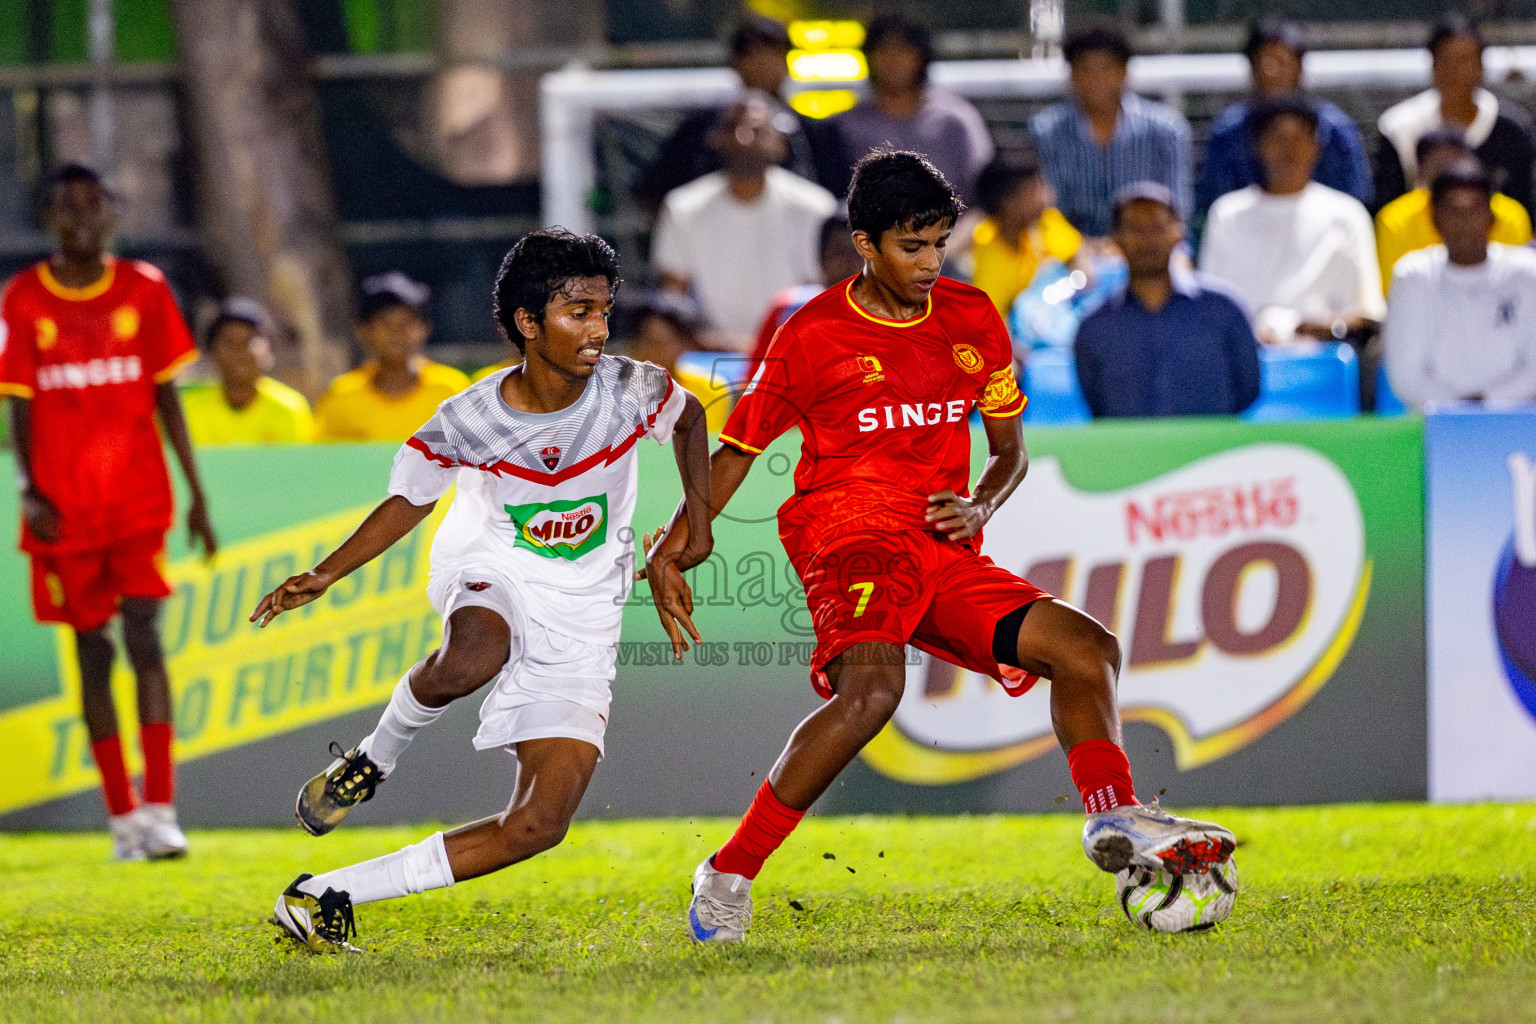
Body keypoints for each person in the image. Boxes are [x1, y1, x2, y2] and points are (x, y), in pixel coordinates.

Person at [644, 151, 1235, 945]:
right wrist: (681, 543)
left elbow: (1009, 451)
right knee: (871, 696)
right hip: (846, 535)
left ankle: (1111, 821)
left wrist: (980, 502)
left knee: (1088, 649)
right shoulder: (810, 335)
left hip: (937, 543)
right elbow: (736, 454)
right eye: (910, 247)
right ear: (864, 242)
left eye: (938, 245)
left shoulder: (971, 317)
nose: (929, 263)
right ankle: (728, 873)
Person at [258, 229, 713, 954]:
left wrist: (697, 523)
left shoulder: (632, 388)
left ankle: (324, 893)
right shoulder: (470, 417)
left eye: (603, 310)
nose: (598, 329)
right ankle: (375, 758)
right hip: (491, 558)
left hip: (586, 604)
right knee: (474, 654)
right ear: (528, 323)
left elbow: (690, 421)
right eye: (577, 311)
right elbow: (408, 501)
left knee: (539, 826)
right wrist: (326, 572)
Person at [0, 163, 216, 860]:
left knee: (146, 639)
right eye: (67, 208)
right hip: (65, 510)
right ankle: (123, 820)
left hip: (137, 501)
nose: (82, 218)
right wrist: (29, 489)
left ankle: (162, 808)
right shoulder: (23, 300)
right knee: (92, 652)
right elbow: (19, 403)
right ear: (49, 220)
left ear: (114, 214)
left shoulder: (145, 290)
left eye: (94, 205)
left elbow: (167, 397)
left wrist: (197, 494)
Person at [652, 94, 838, 351]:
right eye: (733, 128)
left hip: (796, 348)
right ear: (714, 138)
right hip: (710, 350)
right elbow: (673, 298)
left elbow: (825, 292)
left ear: (780, 141)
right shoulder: (683, 206)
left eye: (757, 130)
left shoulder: (815, 207)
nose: (744, 138)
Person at [1200, 97, 1385, 345]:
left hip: (1324, 359)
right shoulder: (1227, 214)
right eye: (1277, 138)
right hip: (1246, 357)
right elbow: (1211, 308)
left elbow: (1368, 312)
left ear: (1316, 146)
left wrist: (1320, 328)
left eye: (1299, 138)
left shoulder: (1348, 214)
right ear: (1258, 147)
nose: (1289, 149)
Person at [1075, 184, 1260, 418]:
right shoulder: (1094, 327)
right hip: (1130, 453)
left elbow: (1248, 390)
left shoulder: (1225, 311)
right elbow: (1096, 402)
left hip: (1214, 453)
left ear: (1178, 232)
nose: (1147, 239)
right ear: (1115, 238)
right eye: (1135, 228)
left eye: (1157, 227)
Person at [634, 13, 850, 209]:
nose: (762, 65)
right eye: (752, 55)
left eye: (773, 55)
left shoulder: (815, 134)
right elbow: (653, 193)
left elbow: (840, 199)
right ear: (736, 64)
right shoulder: (701, 129)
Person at [1384, 160, 1536, 409]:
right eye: (1452, 209)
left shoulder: (1528, 273)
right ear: (1434, 219)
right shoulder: (1411, 276)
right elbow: (1406, 378)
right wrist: (1458, 415)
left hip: (1519, 422)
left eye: (1474, 208)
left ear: (1491, 217)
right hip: (1432, 426)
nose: (1463, 220)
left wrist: (1486, 404)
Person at [1196, 18, 1371, 223]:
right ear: (1252, 66)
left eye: (1285, 61)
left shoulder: (1334, 131)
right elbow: (1210, 207)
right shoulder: (1228, 132)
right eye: (1268, 61)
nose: (1275, 72)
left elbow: (1355, 201)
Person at [1030, 24, 1191, 237]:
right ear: (1071, 76)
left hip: (1147, 249)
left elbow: (1178, 210)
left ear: (1124, 72)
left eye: (1106, 68)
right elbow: (1045, 211)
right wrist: (1080, 250)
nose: (1097, 79)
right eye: (1086, 69)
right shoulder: (1046, 130)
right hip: (1070, 254)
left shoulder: (1166, 130)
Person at [1375, 14, 1535, 216]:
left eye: (1465, 60)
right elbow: (1387, 210)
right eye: (1446, 60)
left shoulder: (1512, 130)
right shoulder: (1398, 127)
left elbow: (1525, 209)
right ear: (1432, 64)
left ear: (1481, 66)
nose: (1455, 71)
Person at [832, 15, 994, 202]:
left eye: (902, 50)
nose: (892, 59)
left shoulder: (956, 120)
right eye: (882, 49)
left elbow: (985, 194)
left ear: (922, 56)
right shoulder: (847, 126)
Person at [313, 272, 471, 441]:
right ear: (362, 331)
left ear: (425, 329)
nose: (397, 332)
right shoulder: (341, 397)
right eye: (384, 322)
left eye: (408, 322)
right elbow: (322, 460)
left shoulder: (452, 391)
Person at [1375, 130, 1531, 291]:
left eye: (1457, 162)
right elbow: (1392, 291)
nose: (1451, 174)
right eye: (1440, 166)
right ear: (1421, 170)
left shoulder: (1511, 214)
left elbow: (1519, 286)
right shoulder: (1395, 219)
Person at [959, 151, 1083, 316]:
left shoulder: (1043, 222)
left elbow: (1077, 253)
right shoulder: (990, 260)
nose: (1045, 196)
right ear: (1008, 203)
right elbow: (989, 328)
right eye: (1033, 190)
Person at [746, 211, 866, 375]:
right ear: (822, 258)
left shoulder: (895, 317)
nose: (850, 263)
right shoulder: (787, 310)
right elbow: (751, 385)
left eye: (859, 254)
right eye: (840, 252)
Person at [181, 297, 314, 444]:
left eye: (248, 342)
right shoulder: (188, 409)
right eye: (228, 342)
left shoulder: (291, 409)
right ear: (211, 351)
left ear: (269, 350)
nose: (239, 352)